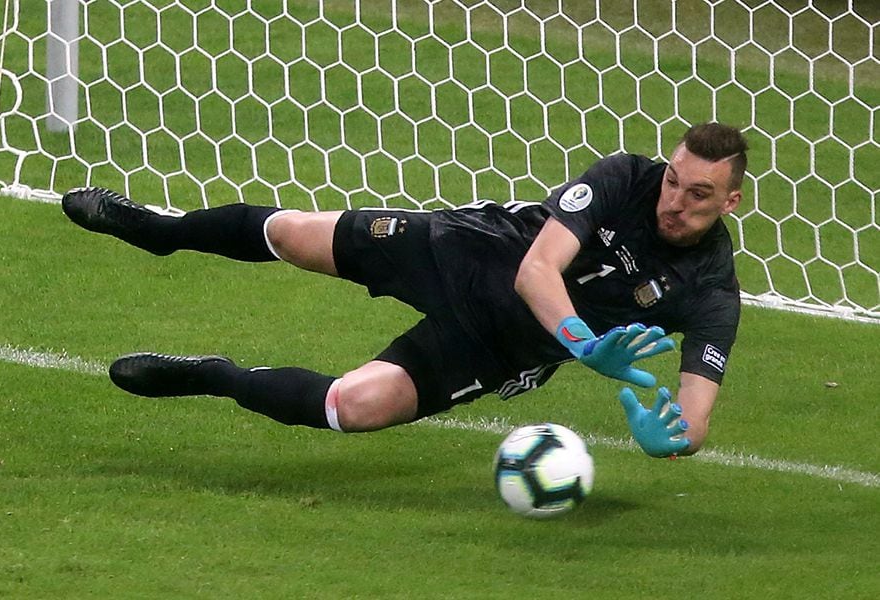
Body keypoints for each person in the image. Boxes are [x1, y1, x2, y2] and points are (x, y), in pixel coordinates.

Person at [62, 122, 746, 458]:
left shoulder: (712, 291)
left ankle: (214, 377)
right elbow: (537, 269)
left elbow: (696, 415)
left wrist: (673, 441)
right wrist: (586, 342)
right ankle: (159, 229)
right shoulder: (626, 176)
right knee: (297, 234)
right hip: (463, 252)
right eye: (674, 181)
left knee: (353, 407)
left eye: (698, 194)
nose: (674, 201)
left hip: (494, 345)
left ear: (732, 202)